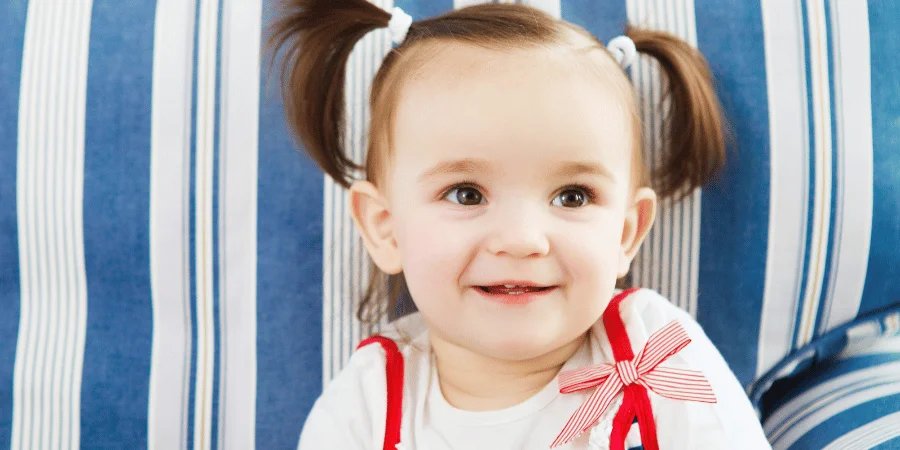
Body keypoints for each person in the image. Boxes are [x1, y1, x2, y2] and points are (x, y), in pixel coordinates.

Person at [267, 1, 771, 448]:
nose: (522, 240)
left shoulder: (654, 351)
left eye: (572, 196)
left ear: (624, 234)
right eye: (466, 194)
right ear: (386, 229)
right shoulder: (370, 401)